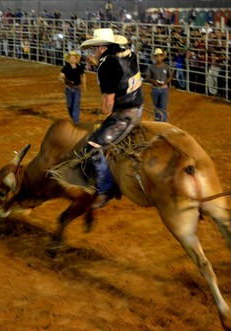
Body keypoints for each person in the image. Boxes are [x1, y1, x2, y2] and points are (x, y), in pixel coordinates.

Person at [79, 28, 143, 209]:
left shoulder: (106, 65)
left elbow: (108, 102)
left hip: (124, 114)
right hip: (138, 105)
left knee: (92, 147)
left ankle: (105, 189)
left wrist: (101, 118)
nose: (93, 52)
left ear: (100, 47)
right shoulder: (129, 54)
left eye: (94, 48)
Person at [58, 51, 86, 124]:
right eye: (71, 57)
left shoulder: (79, 67)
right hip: (69, 89)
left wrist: (84, 84)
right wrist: (62, 79)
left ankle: (76, 120)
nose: (72, 59)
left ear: (76, 59)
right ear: (69, 59)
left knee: (76, 103)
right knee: (69, 105)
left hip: (77, 88)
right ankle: (74, 117)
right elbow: (61, 75)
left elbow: (83, 75)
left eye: (74, 58)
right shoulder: (66, 68)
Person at [145, 48, 172, 122]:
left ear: (163, 57)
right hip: (155, 89)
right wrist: (153, 81)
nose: (158, 58)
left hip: (163, 88)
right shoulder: (152, 67)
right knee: (156, 107)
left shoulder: (166, 67)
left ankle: (162, 123)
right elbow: (147, 77)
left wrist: (166, 82)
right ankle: (158, 122)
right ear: (155, 57)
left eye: (160, 56)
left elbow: (170, 76)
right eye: (157, 56)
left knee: (163, 107)